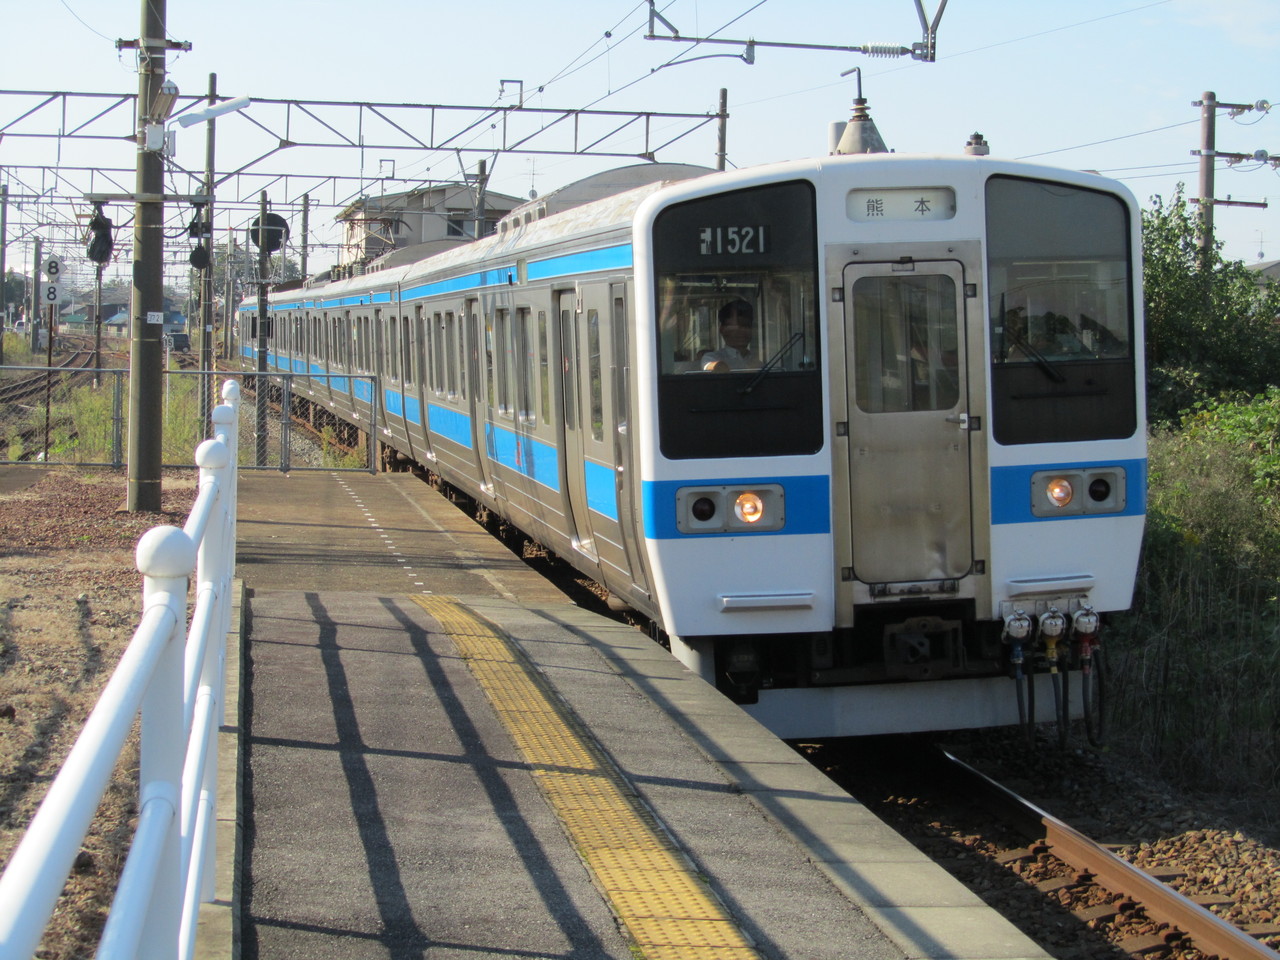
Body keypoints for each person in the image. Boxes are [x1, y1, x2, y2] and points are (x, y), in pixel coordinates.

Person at [701, 298, 757, 372]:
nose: (742, 331)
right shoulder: (712, 357)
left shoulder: (757, 361)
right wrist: (718, 366)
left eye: (746, 326)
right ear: (722, 329)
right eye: (737, 326)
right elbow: (708, 366)